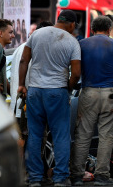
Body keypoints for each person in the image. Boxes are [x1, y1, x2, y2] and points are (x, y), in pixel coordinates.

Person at [17, 10, 81, 187]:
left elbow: (24, 60)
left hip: (35, 91)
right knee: (61, 135)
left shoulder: (36, 34)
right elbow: (76, 73)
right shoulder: (72, 41)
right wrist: (67, 87)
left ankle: (35, 177)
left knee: (35, 134)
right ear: (72, 24)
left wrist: (22, 84)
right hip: (57, 91)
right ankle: (60, 178)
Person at [70, 16, 113, 186]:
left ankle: (77, 175)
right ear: (109, 29)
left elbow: (77, 68)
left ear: (92, 29)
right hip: (110, 93)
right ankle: (101, 175)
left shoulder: (82, 44)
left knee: (83, 134)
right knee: (107, 135)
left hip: (89, 91)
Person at [10, 21, 54, 121]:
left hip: (18, 105)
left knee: (21, 135)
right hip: (29, 104)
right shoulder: (36, 49)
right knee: (34, 135)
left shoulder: (20, 48)